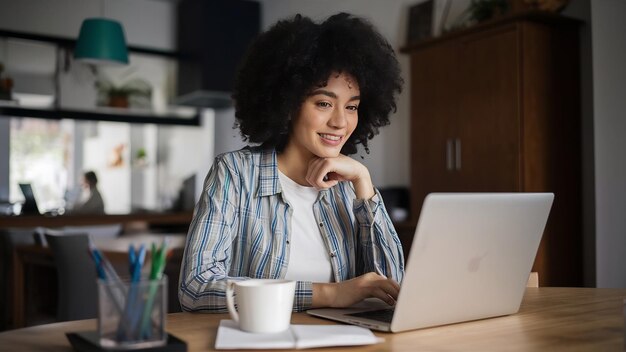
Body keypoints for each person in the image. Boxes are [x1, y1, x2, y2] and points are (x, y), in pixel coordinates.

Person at [179, 13, 404, 313]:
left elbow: (392, 290)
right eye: (324, 103)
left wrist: (364, 183)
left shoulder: (349, 186)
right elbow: (195, 288)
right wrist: (329, 294)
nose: (340, 121)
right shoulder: (235, 174)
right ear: (287, 104)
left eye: (351, 107)